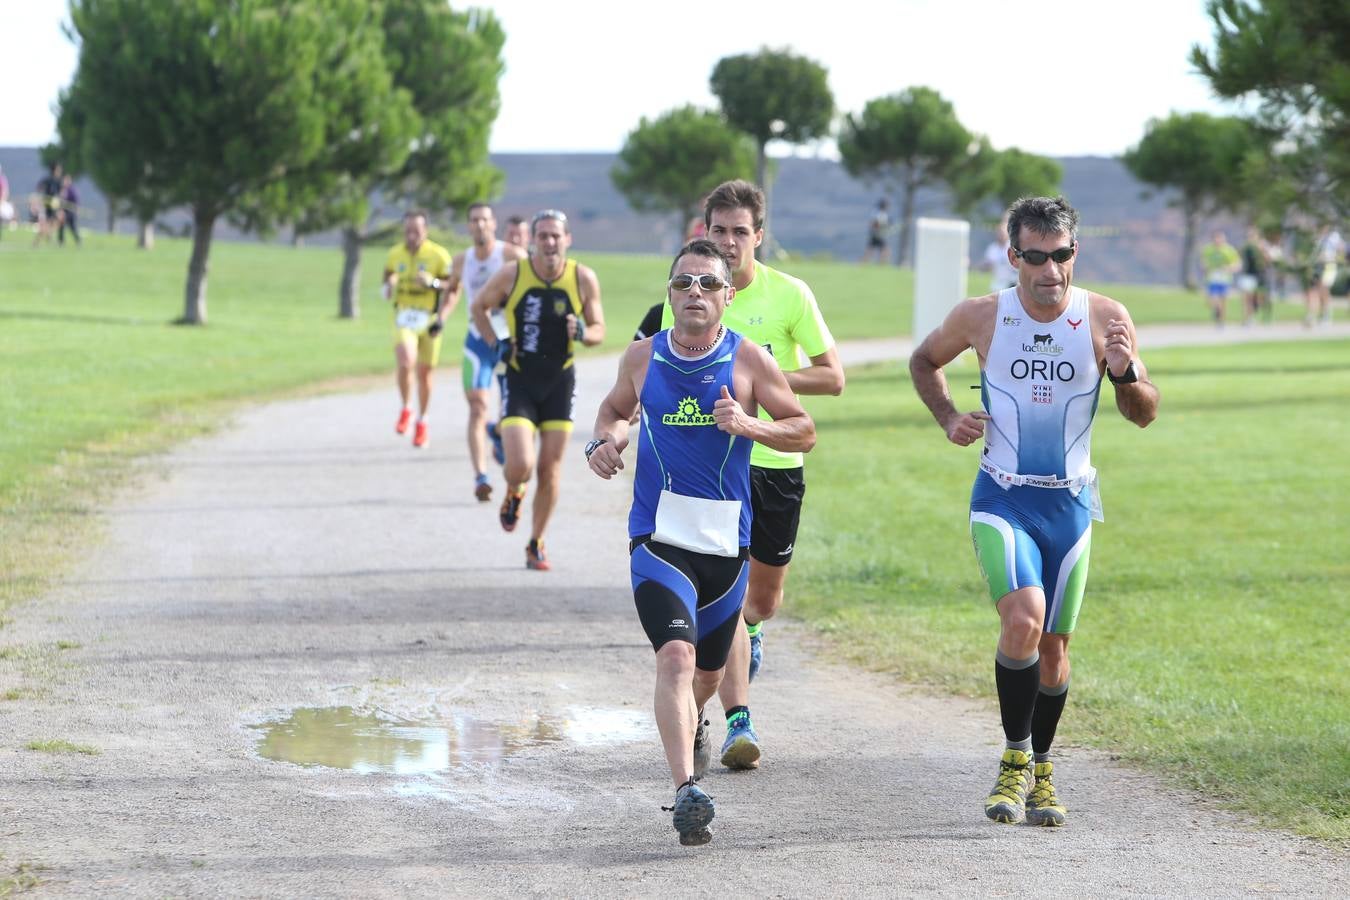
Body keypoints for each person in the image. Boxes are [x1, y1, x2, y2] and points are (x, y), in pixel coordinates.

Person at [909, 195, 1159, 828]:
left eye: (1062, 255)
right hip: (1003, 495)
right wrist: (947, 416)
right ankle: (1015, 759)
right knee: (1023, 619)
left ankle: (1044, 769)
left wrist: (1126, 375)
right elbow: (924, 360)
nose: (1050, 270)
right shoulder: (982, 316)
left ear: (1076, 251)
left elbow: (1146, 411)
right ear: (1014, 254)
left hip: (1070, 503)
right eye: (1036, 257)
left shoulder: (1105, 317)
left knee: (1054, 650)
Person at [587, 238, 815, 845]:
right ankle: (687, 791)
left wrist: (748, 424)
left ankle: (695, 723)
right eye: (684, 283)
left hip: (724, 544)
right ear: (669, 293)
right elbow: (612, 411)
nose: (695, 293)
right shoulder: (642, 358)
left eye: (707, 285)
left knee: (708, 676)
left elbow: (804, 430)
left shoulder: (749, 363)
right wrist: (605, 442)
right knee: (676, 658)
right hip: (658, 538)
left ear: (728, 296)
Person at [660, 179, 844, 771]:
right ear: (703, 231)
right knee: (731, 601)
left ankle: (750, 637)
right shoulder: (691, 291)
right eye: (719, 231)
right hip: (714, 477)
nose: (730, 242)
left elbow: (833, 377)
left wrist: (762, 373)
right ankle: (737, 717)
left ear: (759, 236)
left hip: (776, 465)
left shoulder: (790, 295)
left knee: (763, 600)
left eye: (741, 232)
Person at [471, 209, 605, 570]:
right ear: (532, 240)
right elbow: (479, 306)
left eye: (555, 235)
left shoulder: (582, 277)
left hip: (560, 381)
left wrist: (582, 333)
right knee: (521, 465)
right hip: (520, 378)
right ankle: (514, 492)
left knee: (550, 469)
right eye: (542, 235)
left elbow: (599, 330)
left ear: (567, 239)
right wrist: (496, 341)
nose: (549, 242)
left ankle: (536, 543)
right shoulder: (513, 273)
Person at [443, 203, 527, 501]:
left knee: (512, 413)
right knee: (478, 405)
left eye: (485, 220)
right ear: (468, 226)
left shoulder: (511, 255)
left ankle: (499, 432)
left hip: (509, 342)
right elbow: (451, 288)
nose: (480, 225)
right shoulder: (460, 261)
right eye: (474, 220)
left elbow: (532, 289)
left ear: (494, 224)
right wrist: (440, 316)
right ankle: (481, 477)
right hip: (478, 342)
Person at [381, 210, 452, 448]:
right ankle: (406, 408)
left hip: (428, 319)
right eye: (408, 231)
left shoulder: (438, 255)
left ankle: (422, 421)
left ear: (426, 231)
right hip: (404, 316)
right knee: (405, 361)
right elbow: (387, 278)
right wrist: (388, 285)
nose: (411, 236)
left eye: (417, 231)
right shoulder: (394, 254)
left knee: (425, 373)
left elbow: (452, 285)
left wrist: (432, 283)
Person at [1199, 230, 1240, 327]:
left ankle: (1221, 321)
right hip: (1212, 277)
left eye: (1220, 238)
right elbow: (1203, 262)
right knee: (1212, 299)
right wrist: (1205, 267)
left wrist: (1229, 268)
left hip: (1225, 278)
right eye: (1216, 238)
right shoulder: (1208, 249)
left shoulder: (1229, 250)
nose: (1218, 240)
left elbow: (1237, 264)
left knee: (1223, 300)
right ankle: (1216, 311)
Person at [1310, 224, 1345, 326]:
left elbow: (1341, 249)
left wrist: (1337, 258)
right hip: (1319, 266)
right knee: (1318, 291)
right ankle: (1322, 313)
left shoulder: (1334, 237)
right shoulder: (1318, 238)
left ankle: (1327, 315)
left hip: (1329, 265)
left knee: (1324, 289)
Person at [1237, 226, 1270, 325]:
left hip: (1259, 275)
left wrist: (1262, 250)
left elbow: (1268, 260)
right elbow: (1239, 258)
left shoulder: (1262, 246)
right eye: (1249, 236)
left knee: (1259, 298)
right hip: (1248, 274)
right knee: (1246, 298)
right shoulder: (1246, 247)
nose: (1251, 237)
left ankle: (1256, 309)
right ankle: (1247, 318)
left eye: (1253, 235)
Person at [32, 162, 64, 248]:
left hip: (55, 204)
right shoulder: (48, 179)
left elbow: (60, 193)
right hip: (48, 205)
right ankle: (38, 241)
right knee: (47, 223)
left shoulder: (58, 181)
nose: (60, 171)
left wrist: (59, 203)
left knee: (57, 221)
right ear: (54, 170)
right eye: (58, 169)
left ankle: (48, 237)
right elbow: (39, 187)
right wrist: (40, 197)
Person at [982, 221, 1017, 293]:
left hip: (1012, 282)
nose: (1001, 235)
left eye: (1002, 233)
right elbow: (987, 264)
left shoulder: (1012, 247)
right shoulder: (993, 248)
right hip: (998, 281)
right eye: (999, 233)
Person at [862, 197, 889, 263]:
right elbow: (874, 224)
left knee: (879, 250)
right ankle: (880, 263)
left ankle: (881, 263)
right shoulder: (878, 213)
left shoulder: (883, 214)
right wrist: (881, 226)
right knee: (883, 250)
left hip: (879, 235)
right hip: (876, 235)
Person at [58, 175, 82, 247]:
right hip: (64, 212)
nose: (65, 182)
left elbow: (76, 201)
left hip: (71, 212)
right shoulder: (63, 190)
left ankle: (78, 241)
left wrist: (77, 209)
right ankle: (61, 242)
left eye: (67, 180)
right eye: (64, 180)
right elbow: (61, 201)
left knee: (72, 227)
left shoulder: (72, 190)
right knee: (61, 227)